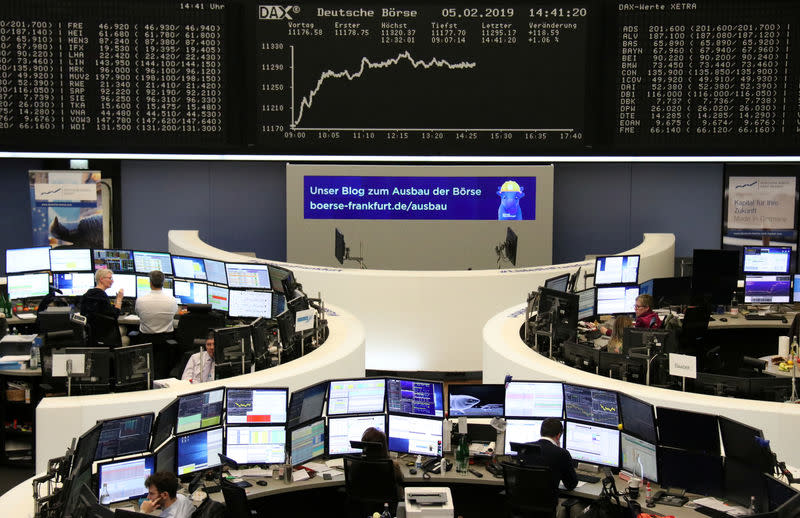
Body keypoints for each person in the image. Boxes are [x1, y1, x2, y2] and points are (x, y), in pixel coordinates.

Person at [135, 270, 179, 378]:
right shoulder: (172, 301)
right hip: (165, 341)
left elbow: (138, 314)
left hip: (145, 340)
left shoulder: (140, 300)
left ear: (150, 283)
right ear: (163, 282)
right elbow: (174, 314)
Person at [523, 418, 578, 492]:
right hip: (548, 502)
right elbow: (571, 485)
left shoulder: (524, 448)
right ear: (558, 436)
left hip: (523, 499)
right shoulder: (562, 453)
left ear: (541, 432)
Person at [80, 269, 123, 346]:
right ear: (101, 279)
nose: (112, 281)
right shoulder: (102, 296)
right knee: (126, 334)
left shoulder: (87, 295)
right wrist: (119, 299)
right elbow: (115, 315)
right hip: (105, 335)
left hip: (92, 335)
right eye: (110, 278)